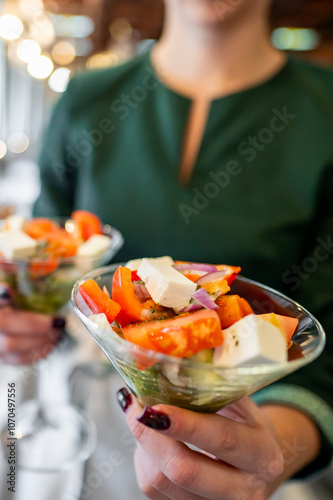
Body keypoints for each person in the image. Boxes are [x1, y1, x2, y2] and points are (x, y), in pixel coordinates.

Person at [1, 0, 333, 497]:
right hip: (78, 439)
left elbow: (325, 353)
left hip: (250, 449)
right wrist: (17, 319)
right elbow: (49, 261)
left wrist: (270, 457)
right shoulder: (85, 99)